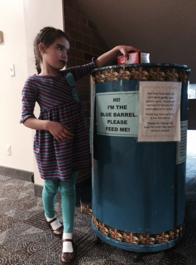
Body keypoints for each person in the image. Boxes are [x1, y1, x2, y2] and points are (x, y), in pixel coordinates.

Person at [20, 26, 139, 264]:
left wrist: (116, 49)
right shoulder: (33, 83)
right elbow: (26, 118)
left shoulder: (69, 76)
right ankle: (49, 215)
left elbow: (94, 64)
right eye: (59, 48)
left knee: (69, 187)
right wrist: (49, 125)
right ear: (42, 49)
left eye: (67, 50)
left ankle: (68, 235)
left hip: (72, 143)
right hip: (51, 145)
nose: (65, 54)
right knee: (52, 186)